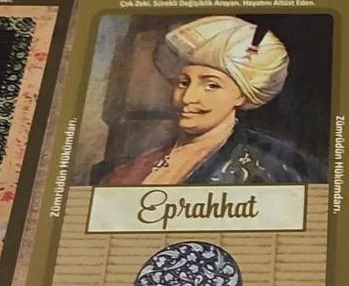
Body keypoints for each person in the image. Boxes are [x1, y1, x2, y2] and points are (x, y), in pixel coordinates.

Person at [103, 15, 320, 186]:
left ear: (242, 95)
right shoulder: (134, 168)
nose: (188, 98)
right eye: (183, 83)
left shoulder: (274, 169)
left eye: (211, 85)